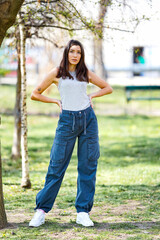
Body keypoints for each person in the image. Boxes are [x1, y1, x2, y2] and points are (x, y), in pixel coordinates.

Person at [29, 39, 113, 228]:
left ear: (81, 55)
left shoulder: (85, 73)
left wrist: (91, 95)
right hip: (66, 122)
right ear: (66, 53)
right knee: (56, 166)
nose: (75, 55)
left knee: (88, 166)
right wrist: (55, 101)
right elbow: (35, 93)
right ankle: (41, 210)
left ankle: (82, 212)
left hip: (88, 121)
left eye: (79, 52)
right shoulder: (57, 73)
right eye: (72, 51)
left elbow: (108, 88)